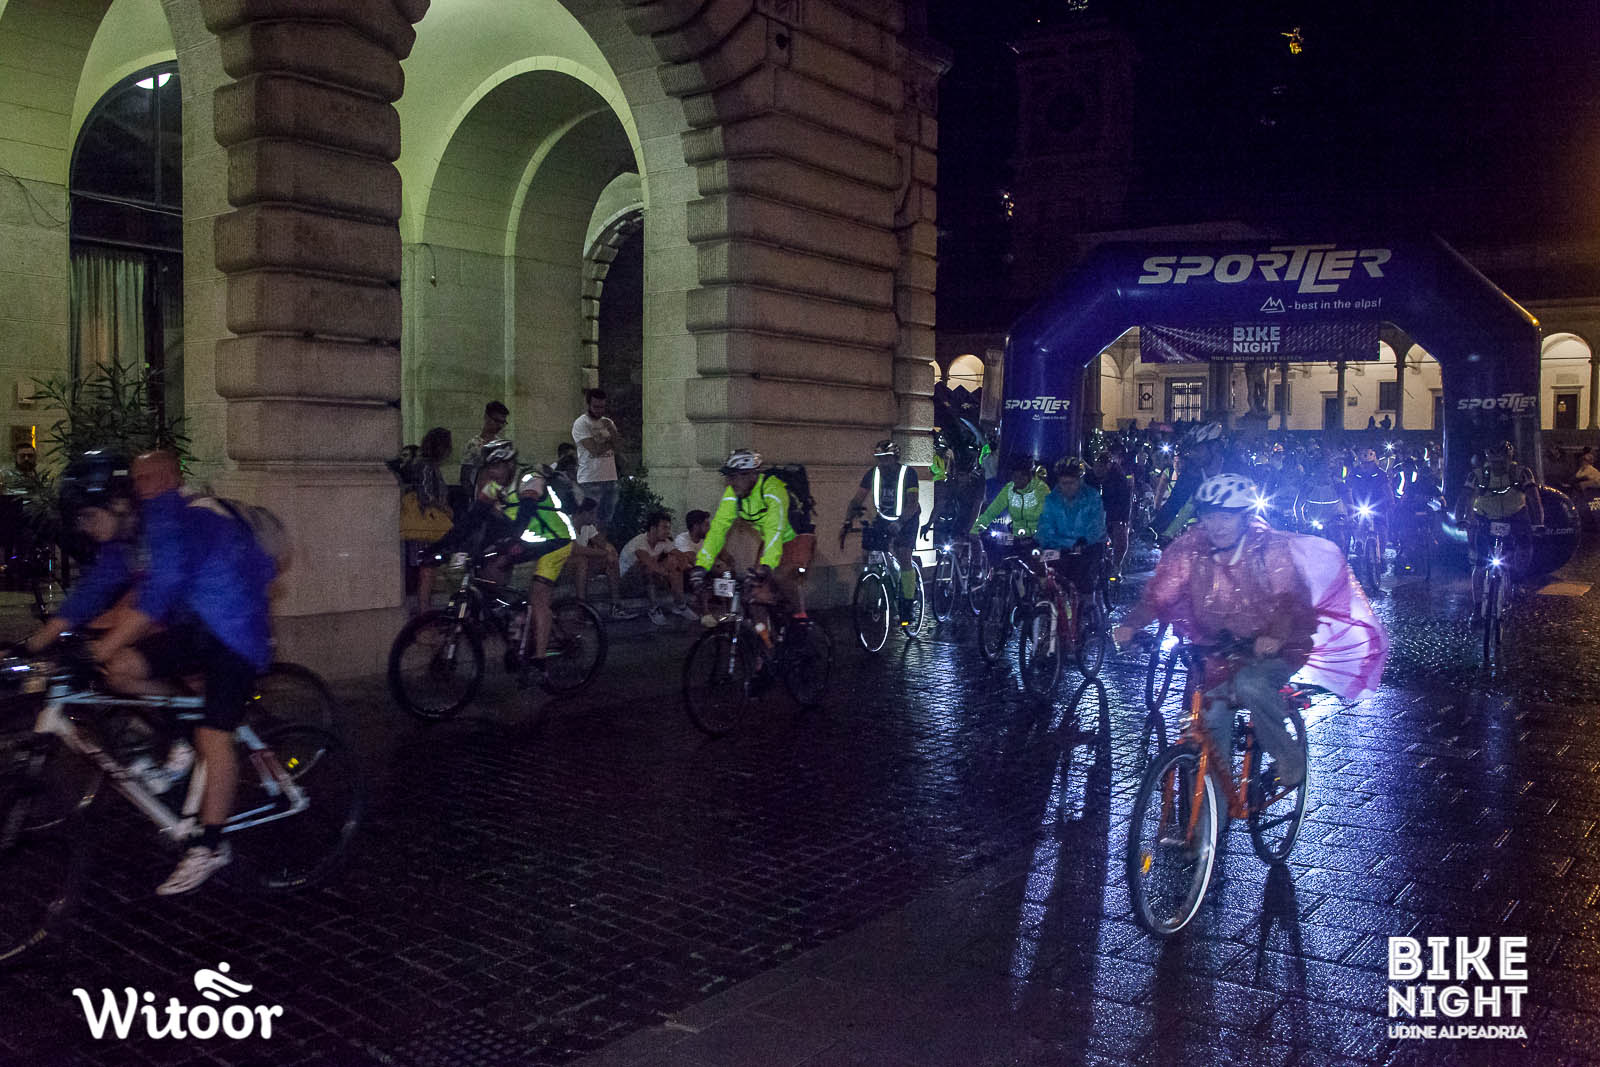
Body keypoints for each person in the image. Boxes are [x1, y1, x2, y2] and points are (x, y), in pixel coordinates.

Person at [25, 450, 275, 895]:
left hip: (236, 629)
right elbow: (94, 589)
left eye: (88, 516)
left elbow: (160, 592)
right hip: (197, 627)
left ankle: (211, 847)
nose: (85, 527)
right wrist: (35, 643)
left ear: (118, 505)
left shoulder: (165, 519)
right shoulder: (126, 536)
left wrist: (101, 644)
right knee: (120, 669)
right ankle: (185, 734)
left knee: (215, 736)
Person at [1113, 474, 1318, 789]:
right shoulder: (1192, 549)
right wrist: (1131, 624)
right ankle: (1212, 813)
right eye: (1210, 517)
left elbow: (1287, 598)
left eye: (1226, 517)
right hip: (1219, 649)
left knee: (1251, 685)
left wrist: (1275, 636)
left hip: (1274, 646)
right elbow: (1159, 594)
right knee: (1206, 722)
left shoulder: (1268, 549)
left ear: (1245, 518)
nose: (1217, 526)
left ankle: (1288, 757)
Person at [688, 449, 808, 620]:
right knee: (751, 596)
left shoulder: (773, 489)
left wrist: (766, 566)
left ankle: (801, 618)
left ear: (751, 475)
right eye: (728, 477)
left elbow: (775, 529)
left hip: (797, 537)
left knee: (780, 576)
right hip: (770, 541)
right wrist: (702, 566)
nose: (729, 483)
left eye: (734, 477)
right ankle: (764, 636)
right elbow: (717, 530)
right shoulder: (734, 494)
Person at [507, 464, 577, 674]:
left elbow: (527, 509)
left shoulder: (530, 478)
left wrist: (511, 540)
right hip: (536, 543)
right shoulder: (496, 487)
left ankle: (539, 661)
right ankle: (523, 634)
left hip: (557, 542)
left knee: (539, 597)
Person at [1467, 440, 1543, 623]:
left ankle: (1517, 579)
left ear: (1510, 459)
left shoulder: (1521, 473)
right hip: (1486, 518)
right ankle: (1477, 608)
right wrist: (1463, 519)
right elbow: (1465, 498)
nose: (1498, 466)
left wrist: (1539, 522)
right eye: (1494, 462)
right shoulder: (1478, 475)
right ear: (1488, 460)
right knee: (1480, 564)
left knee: (1525, 546)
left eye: (1502, 462)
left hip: (1514, 516)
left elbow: (1534, 498)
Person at [845, 439, 920, 620]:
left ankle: (908, 603)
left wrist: (900, 522)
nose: (882, 462)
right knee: (868, 550)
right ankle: (875, 585)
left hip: (907, 519)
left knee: (904, 555)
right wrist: (847, 521)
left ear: (895, 458)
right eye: (879, 458)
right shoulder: (873, 473)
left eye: (886, 458)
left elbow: (912, 503)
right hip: (884, 518)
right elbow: (857, 500)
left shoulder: (908, 473)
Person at [1036, 458, 1108, 596]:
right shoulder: (1051, 500)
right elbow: (1045, 525)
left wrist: (1084, 541)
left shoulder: (1092, 497)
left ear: (1080, 481)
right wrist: (1046, 542)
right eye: (1064, 483)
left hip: (1087, 546)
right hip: (1061, 548)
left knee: (1084, 580)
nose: (1068, 487)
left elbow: (1096, 526)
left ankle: (1088, 603)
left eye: (1072, 483)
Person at [619, 510, 697, 623]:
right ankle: (654, 609)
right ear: (653, 528)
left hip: (648, 581)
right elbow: (649, 564)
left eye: (668, 528)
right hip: (627, 585)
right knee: (647, 567)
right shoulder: (639, 542)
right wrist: (669, 574)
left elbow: (680, 556)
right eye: (664, 528)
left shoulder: (664, 542)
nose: (668, 532)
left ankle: (681, 605)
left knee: (673, 561)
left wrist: (682, 566)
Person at [565, 499, 637, 621]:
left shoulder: (588, 527)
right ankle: (581, 610)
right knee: (581, 560)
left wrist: (611, 552)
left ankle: (616, 606)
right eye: (592, 513)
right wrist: (604, 553)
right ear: (583, 513)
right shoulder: (566, 523)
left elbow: (602, 543)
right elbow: (575, 549)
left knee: (609, 560)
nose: (595, 517)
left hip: (580, 567)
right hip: (562, 566)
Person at [408, 427, 453, 615]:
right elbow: (426, 495)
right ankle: (424, 610)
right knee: (427, 568)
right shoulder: (426, 466)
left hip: (426, 524)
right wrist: (444, 508)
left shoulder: (424, 465)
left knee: (428, 568)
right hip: (426, 525)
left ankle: (425, 608)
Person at [571, 388, 621, 530]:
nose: (600, 411)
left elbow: (619, 446)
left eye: (602, 407)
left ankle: (601, 543)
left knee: (606, 520)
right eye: (596, 407)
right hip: (590, 479)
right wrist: (611, 443)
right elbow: (594, 450)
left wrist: (612, 430)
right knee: (589, 521)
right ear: (588, 405)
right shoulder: (581, 423)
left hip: (609, 477)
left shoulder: (608, 423)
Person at [972, 455, 1051, 539]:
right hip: (1016, 535)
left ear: (1029, 476)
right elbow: (992, 510)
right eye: (1015, 477)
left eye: (1021, 477)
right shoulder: (1009, 488)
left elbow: (1048, 517)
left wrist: (1038, 535)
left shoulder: (1041, 489)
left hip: (1036, 537)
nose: (1017, 480)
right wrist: (975, 531)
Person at [1346, 447, 1396, 571]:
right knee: (1356, 523)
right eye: (1364, 464)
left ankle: (1382, 552)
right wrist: (1348, 503)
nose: (1366, 466)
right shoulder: (1354, 473)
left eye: (1369, 464)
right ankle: (1358, 542)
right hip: (1359, 504)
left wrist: (1391, 501)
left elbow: (1387, 488)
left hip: (1378, 505)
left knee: (1382, 528)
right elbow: (1348, 489)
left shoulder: (1381, 474)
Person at [1086, 450, 1132, 578]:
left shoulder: (1119, 480)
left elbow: (1124, 503)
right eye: (1096, 465)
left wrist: (1121, 521)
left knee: (1120, 532)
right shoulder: (1089, 478)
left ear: (1108, 466)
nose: (1098, 469)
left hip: (1115, 511)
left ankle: (1117, 565)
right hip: (1095, 512)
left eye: (1101, 466)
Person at [458, 400, 509, 492]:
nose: (500, 426)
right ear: (486, 417)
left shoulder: (502, 445)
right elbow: (465, 477)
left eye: (503, 422)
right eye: (497, 421)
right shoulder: (474, 445)